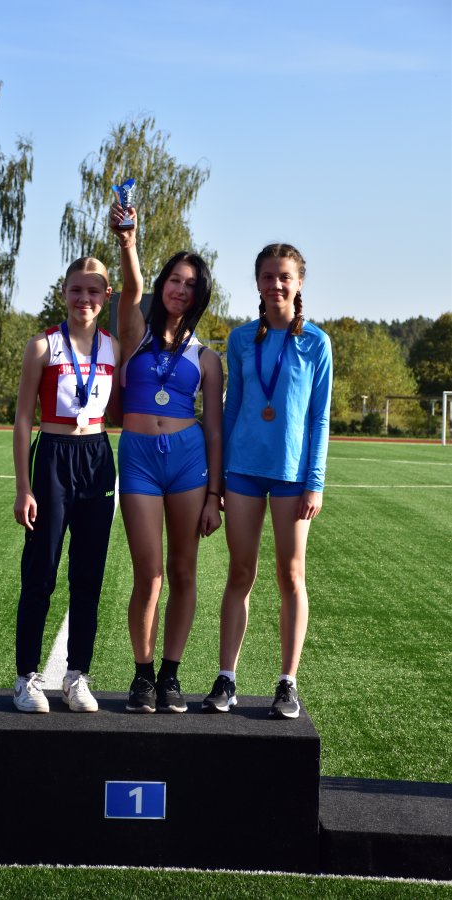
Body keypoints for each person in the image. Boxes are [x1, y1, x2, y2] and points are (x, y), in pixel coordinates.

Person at [202, 243, 332, 719]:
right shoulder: (240, 339)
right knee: (240, 573)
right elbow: (229, 410)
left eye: (284, 277)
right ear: (257, 283)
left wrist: (315, 482)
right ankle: (226, 678)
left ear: (299, 283)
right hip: (243, 472)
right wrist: (218, 481)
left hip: (293, 477)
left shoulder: (316, 342)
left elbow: (319, 418)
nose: (276, 284)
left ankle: (287, 683)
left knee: (291, 575)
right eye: (268, 276)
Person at [110, 201, 223, 713]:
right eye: (175, 279)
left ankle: (171, 674)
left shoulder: (207, 358)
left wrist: (214, 495)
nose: (181, 289)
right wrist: (128, 243)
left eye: (191, 284)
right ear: (163, 284)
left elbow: (215, 430)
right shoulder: (134, 332)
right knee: (148, 573)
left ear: (199, 296)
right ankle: (142, 674)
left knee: (183, 571)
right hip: (138, 459)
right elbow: (131, 288)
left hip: (188, 462)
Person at [12, 256, 121, 713]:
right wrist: (23, 487)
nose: (84, 299)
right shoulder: (43, 346)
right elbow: (22, 419)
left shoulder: (114, 348)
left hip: (97, 459)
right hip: (53, 459)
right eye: (76, 289)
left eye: (94, 291)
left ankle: (77, 676)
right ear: (63, 292)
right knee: (41, 573)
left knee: (88, 577)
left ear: (106, 296)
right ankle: (26, 678)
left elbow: (120, 411)